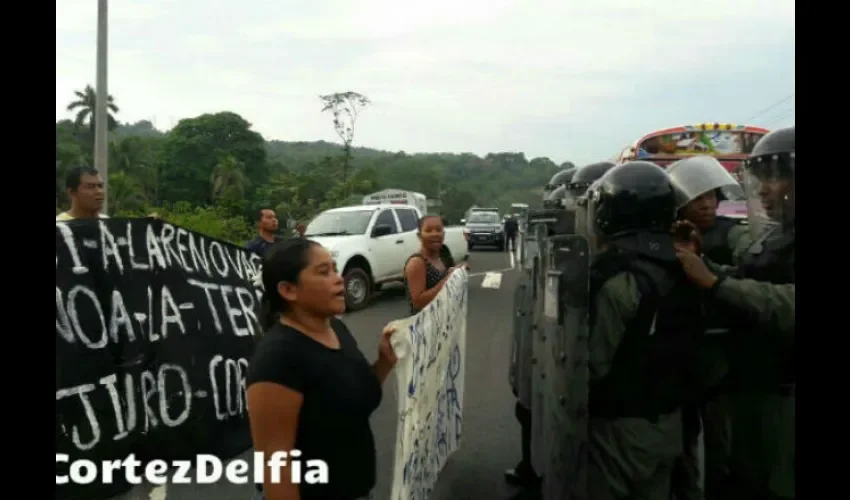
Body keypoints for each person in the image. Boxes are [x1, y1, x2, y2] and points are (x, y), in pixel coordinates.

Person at [674, 126, 795, 500]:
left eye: (775, 178)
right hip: (753, 387)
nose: (763, 190)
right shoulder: (779, 235)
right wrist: (700, 262)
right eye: (761, 179)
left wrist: (715, 283)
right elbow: (750, 278)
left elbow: (787, 303)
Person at [585, 161, 707, 500]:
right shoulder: (690, 265)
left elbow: (595, 365)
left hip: (621, 428)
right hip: (671, 423)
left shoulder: (618, 279)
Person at [246, 238, 398, 500]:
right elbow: (276, 468)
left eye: (335, 269)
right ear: (288, 290)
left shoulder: (335, 328)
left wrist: (385, 361)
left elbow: (355, 399)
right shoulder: (277, 359)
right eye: (324, 272)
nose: (339, 279)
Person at [665, 155, 753, 500]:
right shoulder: (665, 237)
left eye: (712, 196)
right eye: (698, 197)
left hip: (721, 354)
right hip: (680, 354)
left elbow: (750, 264)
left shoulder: (732, 233)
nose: (707, 204)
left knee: (722, 444)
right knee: (681, 442)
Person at [403, 215, 468, 315]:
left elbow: (444, 278)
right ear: (419, 236)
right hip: (425, 322)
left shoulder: (442, 255)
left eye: (438, 230)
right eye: (428, 230)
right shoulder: (417, 262)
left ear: (444, 234)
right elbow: (418, 303)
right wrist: (449, 279)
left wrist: (455, 271)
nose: (435, 234)